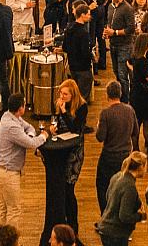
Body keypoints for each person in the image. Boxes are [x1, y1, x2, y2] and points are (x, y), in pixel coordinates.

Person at [0, 93, 51, 230]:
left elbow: (29, 127)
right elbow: (31, 144)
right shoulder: (12, 126)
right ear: (20, 108)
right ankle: (10, 239)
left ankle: (0, 238)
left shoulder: (10, 116)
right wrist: (44, 136)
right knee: (14, 210)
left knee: (3, 208)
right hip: (8, 173)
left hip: (1, 170)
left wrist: (27, 136)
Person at [95, 81, 140, 213]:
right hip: (125, 156)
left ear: (107, 95)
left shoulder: (106, 113)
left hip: (109, 156)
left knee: (103, 186)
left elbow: (100, 137)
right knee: (123, 186)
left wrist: (98, 126)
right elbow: (136, 132)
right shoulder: (130, 110)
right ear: (120, 93)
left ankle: (106, 215)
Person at [54, 79, 88, 233]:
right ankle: (63, 221)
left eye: (65, 94)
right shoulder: (60, 103)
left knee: (69, 188)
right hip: (62, 148)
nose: (62, 96)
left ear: (73, 95)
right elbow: (57, 122)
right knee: (62, 189)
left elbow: (75, 128)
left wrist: (63, 112)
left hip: (75, 151)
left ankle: (73, 225)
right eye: (61, 93)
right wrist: (54, 127)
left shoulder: (82, 107)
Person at [97, 151, 147, 246]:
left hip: (105, 228)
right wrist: (141, 216)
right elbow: (124, 216)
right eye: (145, 167)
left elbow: (108, 197)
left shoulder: (117, 176)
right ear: (140, 167)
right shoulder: (129, 186)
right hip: (116, 233)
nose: (146, 170)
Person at [104, 0, 136, 103]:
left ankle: (125, 102)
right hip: (113, 45)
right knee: (116, 73)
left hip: (124, 46)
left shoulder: (127, 9)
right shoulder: (110, 7)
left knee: (123, 76)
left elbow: (131, 29)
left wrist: (115, 32)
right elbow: (109, 23)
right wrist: (107, 32)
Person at [127, 33, 148, 157]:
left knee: (136, 126)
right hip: (145, 98)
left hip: (135, 95)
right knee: (147, 127)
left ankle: (136, 151)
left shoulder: (135, 58)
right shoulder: (143, 61)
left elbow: (130, 66)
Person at [63, 3, 94, 104]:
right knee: (81, 99)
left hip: (72, 67)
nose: (90, 16)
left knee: (73, 96)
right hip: (83, 69)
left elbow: (64, 47)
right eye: (88, 14)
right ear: (82, 15)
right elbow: (85, 53)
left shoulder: (69, 28)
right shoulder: (84, 33)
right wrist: (93, 57)